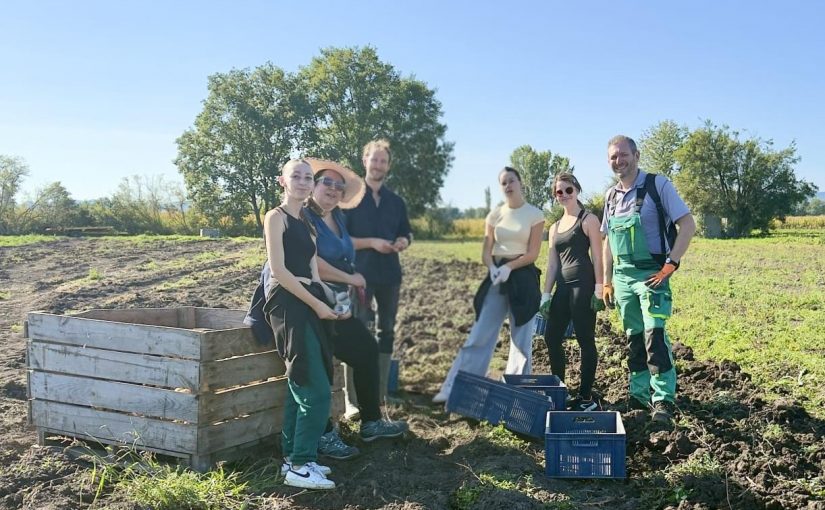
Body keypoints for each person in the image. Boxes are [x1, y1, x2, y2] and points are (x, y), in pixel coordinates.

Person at [303, 158, 409, 456]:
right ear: (313, 185)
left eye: (339, 186)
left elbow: (344, 251)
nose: (333, 189)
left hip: (336, 304)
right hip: (309, 303)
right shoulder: (304, 217)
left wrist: (350, 281)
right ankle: (323, 435)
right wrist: (351, 277)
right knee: (321, 365)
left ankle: (371, 423)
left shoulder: (337, 217)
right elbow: (311, 262)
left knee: (366, 350)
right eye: (327, 182)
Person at [601, 135, 696, 425]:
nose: (619, 161)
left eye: (623, 155)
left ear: (636, 155)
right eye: (613, 157)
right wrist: (607, 280)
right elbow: (607, 241)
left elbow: (687, 224)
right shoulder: (611, 196)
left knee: (654, 336)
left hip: (652, 274)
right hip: (623, 277)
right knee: (634, 339)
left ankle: (663, 399)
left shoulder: (658, 185)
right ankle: (639, 395)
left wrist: (671, 263)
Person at [433, 167, 544, 404]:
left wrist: (510, 267)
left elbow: (533, 253)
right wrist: (493, 267)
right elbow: (486, 252)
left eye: (511, 180)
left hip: (522, 277)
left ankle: (515, 396)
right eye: (503, 183)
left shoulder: (534, 214)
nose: (508, 186)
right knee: (479, 334)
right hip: (497, 277)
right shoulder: (495, 215)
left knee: (521, 341)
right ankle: (455, 387)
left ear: (520, 182)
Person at [260, 159, 339, 490]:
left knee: (299, 383)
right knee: (314, 388)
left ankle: (293, 458)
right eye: (297, 176)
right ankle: (302, 465)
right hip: (288, 303)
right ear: (283, 181)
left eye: (308, 177)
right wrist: (316, 304)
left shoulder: (308, 222)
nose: (304, 182)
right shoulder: (275, 217)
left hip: (309, 299)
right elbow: (279, 271)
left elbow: (314, 272)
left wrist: (331, 300)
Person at [345, 139, 412, 404]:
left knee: (387, 331)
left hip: (390, 275)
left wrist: (403, 241)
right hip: (359, 275)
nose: (378, 165)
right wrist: (371, 242)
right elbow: (342, 239)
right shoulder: (350, 199)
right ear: (365, 161)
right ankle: (353, 399)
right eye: (374, 159)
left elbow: (406, 232)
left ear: (388, 166)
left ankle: (381, 394)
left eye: (383, 161)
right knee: (357, 331)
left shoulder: (396, 202)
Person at [540, 173, 604, 412]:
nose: (564, 195)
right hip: (563, 288)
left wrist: (599, 289)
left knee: (585, 340)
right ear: (555, 196)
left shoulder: (588, 220)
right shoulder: (554, 228)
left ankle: (586, 398)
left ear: (577, 190)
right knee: (551, 337)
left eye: (568, 190)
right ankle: (560, 392)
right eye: (559, 191)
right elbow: (552, 265)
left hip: (583, 286)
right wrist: (546, 295)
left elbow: (598, 256)